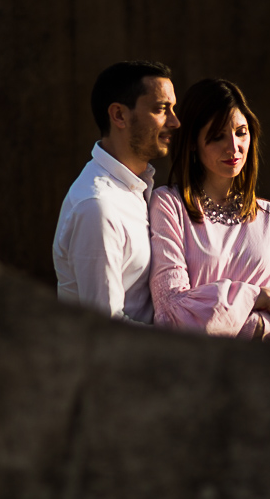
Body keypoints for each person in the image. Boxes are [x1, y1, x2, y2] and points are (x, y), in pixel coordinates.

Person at [149, 78, 270, 342]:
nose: (233, 147)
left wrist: (240, 321)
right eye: (217, 136)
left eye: (241, 132)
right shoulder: (168, 205)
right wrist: (261, 297)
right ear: (191, 143)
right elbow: (174, 316)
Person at [53, 60, 179, 322]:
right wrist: (187, 346)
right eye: (161, 109)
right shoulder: (97, 206)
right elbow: (104, 329)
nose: (175, 122)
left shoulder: (139, 189)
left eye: (173, 109)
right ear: (119, 115)